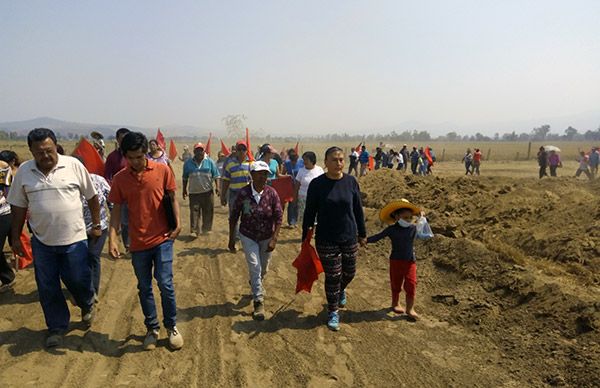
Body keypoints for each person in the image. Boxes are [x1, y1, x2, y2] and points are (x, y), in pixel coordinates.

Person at [8, 128, 100, 348]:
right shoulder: (24, 172)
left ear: (56, 146)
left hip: (75, 238)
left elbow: (92, 197)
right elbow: (18, 207)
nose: (45, 156)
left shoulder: (73, 165)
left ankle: (87, 302)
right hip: (42, 241)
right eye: (39, 152)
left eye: (49, 150)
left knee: (78, 278)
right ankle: (57, 327)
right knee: (48, 286)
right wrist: (15, 238)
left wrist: (96, 225)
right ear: (30, 151)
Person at [108, 131, 183, 351]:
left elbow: (172, 198)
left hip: (162, 239)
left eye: (139, 157)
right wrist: (112, 239)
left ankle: (171, 327)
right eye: (130, 158)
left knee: (165, 283)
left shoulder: (162, 170)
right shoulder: (120, 179)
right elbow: (116, 211)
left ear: (146, 154)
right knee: (144, 287)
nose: (135, 162)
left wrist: (177, 224)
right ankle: (152, 328)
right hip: (137, 243)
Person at [303, 146, 367, 331]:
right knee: (333, 275)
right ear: (326, 162)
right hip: (326, 237)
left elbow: (357, 210)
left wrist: (362, 233)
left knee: (350, 272)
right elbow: (310, 212)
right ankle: (333, 311)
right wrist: (305, 236)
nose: (339, 163)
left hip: (348, 235)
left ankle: (339, 291)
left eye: (341, 160)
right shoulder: (317, 184)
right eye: (334, 160)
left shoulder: (351, 182)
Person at [229, 161, 282, 320]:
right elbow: (234, 217)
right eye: (259, 173)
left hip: (266, 237)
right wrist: (232, 238)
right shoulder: (243, 193)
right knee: (255, 266)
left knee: (263, 268)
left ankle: (255, 282)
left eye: (265, 173)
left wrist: (274, 239)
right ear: (252, 175)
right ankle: (258, 301)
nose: (262, 176)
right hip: (248, 235)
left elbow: (278, 217)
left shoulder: (272, 193)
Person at [366, 199, 432, 320]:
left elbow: (424, 232)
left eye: (410, 217)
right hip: (395, 261)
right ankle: (395, 303)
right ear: (396, 216)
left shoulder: (413, 228)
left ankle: (410, 308)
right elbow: (378, 237)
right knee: (396, 284)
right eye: (405, 217)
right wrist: (364, 240)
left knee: (411, 285)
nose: (408, 220)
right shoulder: (391, 230)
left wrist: (422, 218)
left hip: (410, 261)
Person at [73, 155, 111, 303]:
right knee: (78, 259)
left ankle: (93, 291)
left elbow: (111, 199)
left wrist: (115, 219)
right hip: (75, 229)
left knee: (93, 255)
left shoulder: (98, 180)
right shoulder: (66, 184)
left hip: (98, 227)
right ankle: (81, 287)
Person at [182, 142, 220, 237]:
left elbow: (216, 175)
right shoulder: (188, 163)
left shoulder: (210, 162)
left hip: (207, 192)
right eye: (197, 150)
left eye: (201, 150)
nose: (199, 152)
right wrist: (184, 190)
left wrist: (218, 187)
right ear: (194, 151)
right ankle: (194, 230)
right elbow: (185, 178)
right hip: (194, 193)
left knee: (208, 211)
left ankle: (207, 229)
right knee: (194, 212)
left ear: (204, 151)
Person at [221, 141, 252, 251]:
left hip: (247, 197)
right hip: (234, 195)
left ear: (247, 151)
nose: (241, 151)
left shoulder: (250, 165)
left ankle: (246, 243)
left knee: (247, 219)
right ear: (236, 151)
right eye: (239, 149)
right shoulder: (230, 164)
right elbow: (225, 181)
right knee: (233, 220)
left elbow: (254, 182)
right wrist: (223, 196)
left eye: (244, 149)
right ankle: (232, 243)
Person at [104, 128, 131, 251]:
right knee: (125, 222)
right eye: (121, 139)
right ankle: (128, 245)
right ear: (117, 140)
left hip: (137, 193)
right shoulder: (112, 157)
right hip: (121, 196)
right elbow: (107, 176)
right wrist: (113, 191)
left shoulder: (135, 155)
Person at [0, 151, 19, 293]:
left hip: (3, 213)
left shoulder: (2, 167)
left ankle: (7, 277)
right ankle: (7, 276)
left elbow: (6, 185)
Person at [294, 151, 324, 224]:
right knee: (305, 220)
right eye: (303, 160)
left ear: (312, 160)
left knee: (315, 220)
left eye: (306, 160)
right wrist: (295, 199)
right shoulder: (301, 171)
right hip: (303, 199)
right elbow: (296, 186)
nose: (304, 162)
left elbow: (323, 185)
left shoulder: (319, 170)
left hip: (316, 199)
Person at [282, 148, 304, 228]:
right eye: (292, 161)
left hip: (299, 186)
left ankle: (296, 220)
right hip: (290, 186)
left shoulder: (301, 162)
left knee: (297, 203)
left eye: (295, 161)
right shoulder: (287, 163)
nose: (294, 162)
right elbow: (283, 173)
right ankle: (291, 221)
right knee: (291, 203)